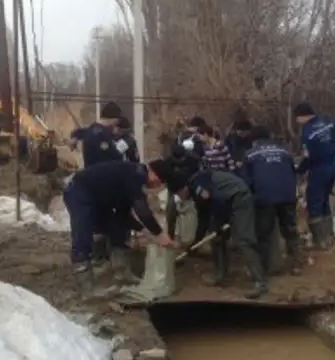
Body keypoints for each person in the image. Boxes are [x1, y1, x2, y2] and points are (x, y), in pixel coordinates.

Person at [63, 160, 175, 290]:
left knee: (117, 227)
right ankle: (87, 287)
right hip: (79, 191)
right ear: (152, 171)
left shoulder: (132, 179)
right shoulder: (135, 175)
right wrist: (159, 234)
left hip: (99, 198)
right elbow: (142, 211)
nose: (157, 184)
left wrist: (145, 230)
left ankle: (122, 272)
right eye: (159, 180)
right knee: (83, 233)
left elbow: (123, 216)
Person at [168, 168, 268, 299]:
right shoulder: (195, 192)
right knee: (216, 239)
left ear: (184, 188)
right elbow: (203, 219)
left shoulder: (199, 187)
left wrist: (220, 225)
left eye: (179, 194)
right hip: (226, 202)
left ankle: (260, 282)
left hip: (239, 198)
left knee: (243, 241)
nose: (179, 197)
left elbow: (218, 200)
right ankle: (220, 276)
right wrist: (195, 243)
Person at [293, 102, 335, 249]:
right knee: (325, 201)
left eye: (297, 118)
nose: (296, 121)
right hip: (332, 167)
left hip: (318, 170)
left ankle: (320, 241)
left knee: (314, 202)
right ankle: (329, 237)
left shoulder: (307, 132)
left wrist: (299, 170)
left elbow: (308, 157)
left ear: (303, 116)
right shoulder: (328, 121)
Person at [243, 125, 301, 275]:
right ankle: (296, 265)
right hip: (288, 195)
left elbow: (246, 180)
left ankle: (263, 268)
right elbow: (293, 172)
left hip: (265, 197)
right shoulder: (284, 151)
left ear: (253, 139)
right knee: (290, 230)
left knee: (263, 234)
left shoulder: (250, 154)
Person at [69, 101, 123, 168]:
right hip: (102, 174)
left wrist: (74, 137)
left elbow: (79, 132)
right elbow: (115, 156)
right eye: (118, 120)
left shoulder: (92, 129)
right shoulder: (103, 134)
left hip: (90, 172)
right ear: (114, 119)